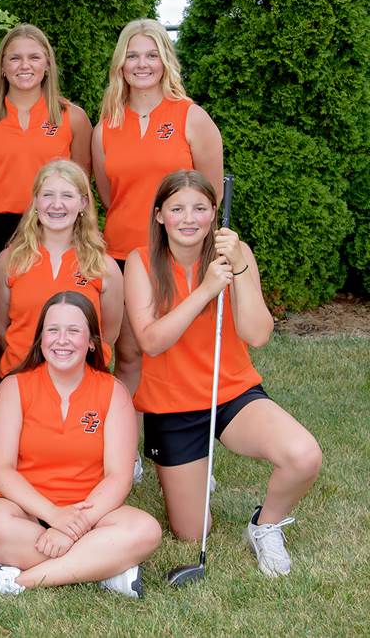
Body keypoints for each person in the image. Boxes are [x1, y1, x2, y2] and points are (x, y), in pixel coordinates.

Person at [124, 170, 321, 577]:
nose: (189, 218)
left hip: (230, 391)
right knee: (193, 532)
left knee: (303, 456)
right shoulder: (140, 262)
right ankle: (191, 474)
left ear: (215, 213)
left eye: (200, 208)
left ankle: (265, 525)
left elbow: (257, 333)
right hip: (171, 405)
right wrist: (206, 289)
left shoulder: (235, 253)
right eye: (177, 209)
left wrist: (240, 268)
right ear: (160, 215)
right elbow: (151, 341)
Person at [0, 292, 161, 598]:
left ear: (92, 341)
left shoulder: (113, 392)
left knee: (145, 530)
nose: (61, 340)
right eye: (52, 330)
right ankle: (103, 568)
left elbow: (118, 476)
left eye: (73, 331)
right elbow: (1, 470)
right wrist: (55, 517)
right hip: (26, 512)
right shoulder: (14, 387)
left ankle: (17, 581)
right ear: (40, 338)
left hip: (92, 512)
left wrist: (75, 526)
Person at [92, 19, 224, 481]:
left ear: (165, 59)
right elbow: (111, 195)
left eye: (151, 54)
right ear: (121, 64)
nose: (142, 64)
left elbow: (208, 192)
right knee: (129, 354)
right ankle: (127, 449)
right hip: (126, 254)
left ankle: (192, 452)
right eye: (133, 55)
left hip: (178, 255)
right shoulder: (105, 124)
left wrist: (181, 236)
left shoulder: (191, 115)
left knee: (182, 352)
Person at [0, 24, 92, 263]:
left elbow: (82, 184)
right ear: (2, 66)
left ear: (47, 64)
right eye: (15, 58)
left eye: (34, 57)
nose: (24, 65)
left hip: (54, 225)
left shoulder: (73, 118)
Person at [0, 160, 122, 378]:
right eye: (47, 195)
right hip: (21, 379)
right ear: (35, 201)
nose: (56, 204)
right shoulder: (9, 261)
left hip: (82, 382)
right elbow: (0, 329)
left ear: (82, 202)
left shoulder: (104, 266)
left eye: (67, 196)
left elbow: (108, 335)